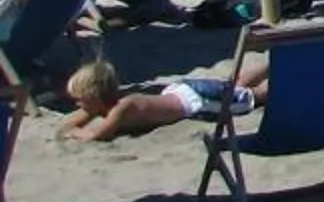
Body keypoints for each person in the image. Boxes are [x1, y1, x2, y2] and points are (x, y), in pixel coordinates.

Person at [61, 56, 263, 141]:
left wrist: (75, 133)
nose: (77, 105)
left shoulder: (122, 108)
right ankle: (272, 63)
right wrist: (77, 123)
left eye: (80, 100)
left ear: (95, 97)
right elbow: (71, 123)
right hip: (181, 91)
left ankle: (284, 74)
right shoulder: (110, 105)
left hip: (197, 101)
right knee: (234, 87)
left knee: (251, 97)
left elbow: (98, 135)